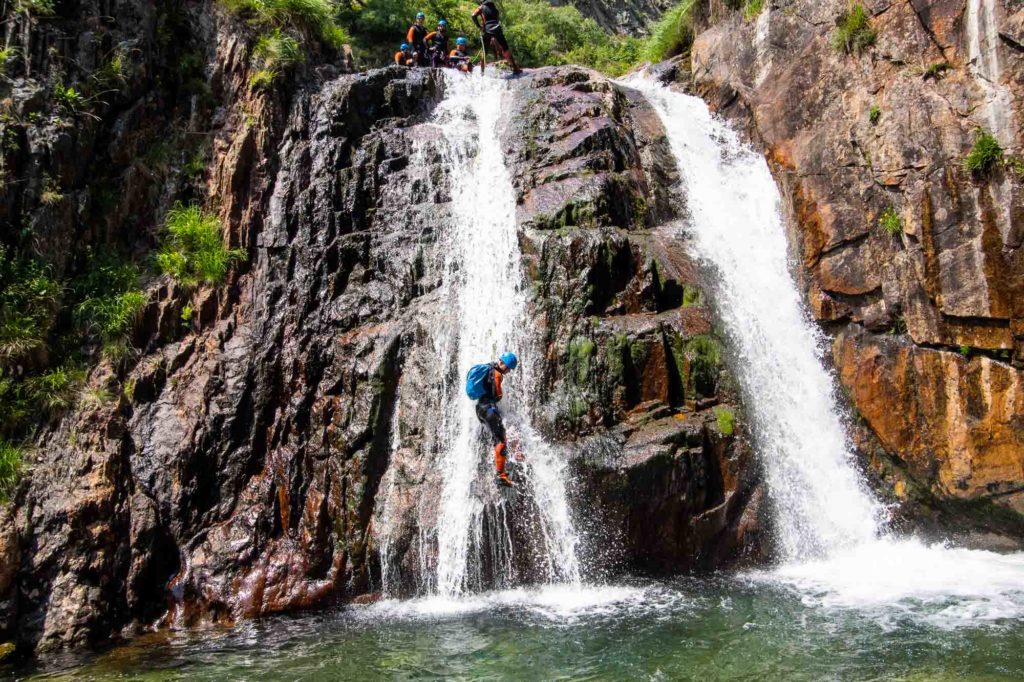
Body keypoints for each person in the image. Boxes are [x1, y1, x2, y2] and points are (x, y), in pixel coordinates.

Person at [466, 352, 520, 488]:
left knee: (496, 438)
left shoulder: (487, 368)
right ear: (505, 365)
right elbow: (498, 394)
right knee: (501, 439)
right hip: (489, 408)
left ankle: (499, 466)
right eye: (508, 369)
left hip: (480, 409)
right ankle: (501, 475)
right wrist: (499, 394)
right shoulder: (496, 373)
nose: (508, 372)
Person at [471, 0, 521, 75]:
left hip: (487, 30)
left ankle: (482, 72)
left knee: (484, 51)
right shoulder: (495, 9)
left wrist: (479, 26)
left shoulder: (481, 7)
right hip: (497, 29)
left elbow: (473, 15)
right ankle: (515, 68)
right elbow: (497, 20)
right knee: (505, 48)